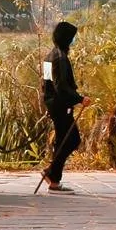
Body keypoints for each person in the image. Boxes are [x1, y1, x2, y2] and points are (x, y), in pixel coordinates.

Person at [40, 19, 83, 192]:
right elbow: (61, 86)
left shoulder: (50, 56)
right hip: (60, 105)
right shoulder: (60, 58)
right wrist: (79, 98)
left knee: (62, 140)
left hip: (53, 104)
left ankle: (54, 180)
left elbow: (47, 83)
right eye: (72, 37)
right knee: (72, 139)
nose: (74, 40)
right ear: (67, 38)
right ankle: (51, 173)